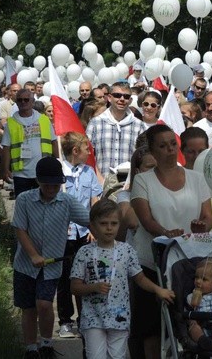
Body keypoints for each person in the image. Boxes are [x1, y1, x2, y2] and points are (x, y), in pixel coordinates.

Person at [130, 124, 212, 358]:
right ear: (152, 151)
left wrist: (200, 227)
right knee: (152, 326)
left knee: (190, 320)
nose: (169, 149)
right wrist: (166, 233)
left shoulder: (197, 179)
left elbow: (208, 218)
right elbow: (146, 221)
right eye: (162, 145)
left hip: (188, 261)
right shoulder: (143, 181)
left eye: (172, 144)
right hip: (152, 262)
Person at [70, 199, 175, 359]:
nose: (109, 228)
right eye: (103, 223)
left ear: (120, 224)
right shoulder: (84, 252)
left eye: (114, 223)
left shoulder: (127, 250)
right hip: (93, 318)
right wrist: (93, 287)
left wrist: (158, 289)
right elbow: (75, 287)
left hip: (119, 317)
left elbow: (139, 278)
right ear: (92, 226)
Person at [12, 156, 90, 359]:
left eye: (56, 185)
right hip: (25, 265)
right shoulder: (24, 200)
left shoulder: (66, 201)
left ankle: (46, 344)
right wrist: (33, 255)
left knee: (45, 304)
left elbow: (90, 219)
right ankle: (31, 348)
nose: (52, 188)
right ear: (38, 181)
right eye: (47, 184)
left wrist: (107, 228)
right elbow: (20, 229)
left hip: (51, 267)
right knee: (28, 308)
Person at [57, 132, 103, 339]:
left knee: (84, 277)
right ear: (75, 151)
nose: (89, 153)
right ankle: (65, 320)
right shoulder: (58, 172)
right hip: (64, 235)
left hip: (85, 233)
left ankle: (84, 317)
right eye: (86, 149)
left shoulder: (88, 172)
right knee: (65, 278)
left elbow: (94, 200)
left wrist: (93, 227)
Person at [1, 89, 58, 197]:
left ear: (32, 102)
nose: (23, 102)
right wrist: (5, 169)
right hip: (20, 174)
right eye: (20, 100)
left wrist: (58, 163)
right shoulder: (11, 123)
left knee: (42, 205)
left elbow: (54, 142)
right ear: (16, 102)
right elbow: (6, 148)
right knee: (23, 206)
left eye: (26, 100)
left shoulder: (44, 120)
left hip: (43, 171)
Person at [86, 82, 146, 184]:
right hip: (101, 184)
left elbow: (144, 158)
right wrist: (99, 180)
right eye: (117, 95)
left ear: (130, 100)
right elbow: (87, 155)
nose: (122, 99)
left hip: (130, 185)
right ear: (109, 98)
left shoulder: (139, 126)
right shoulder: (95, 123)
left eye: (126, 96)